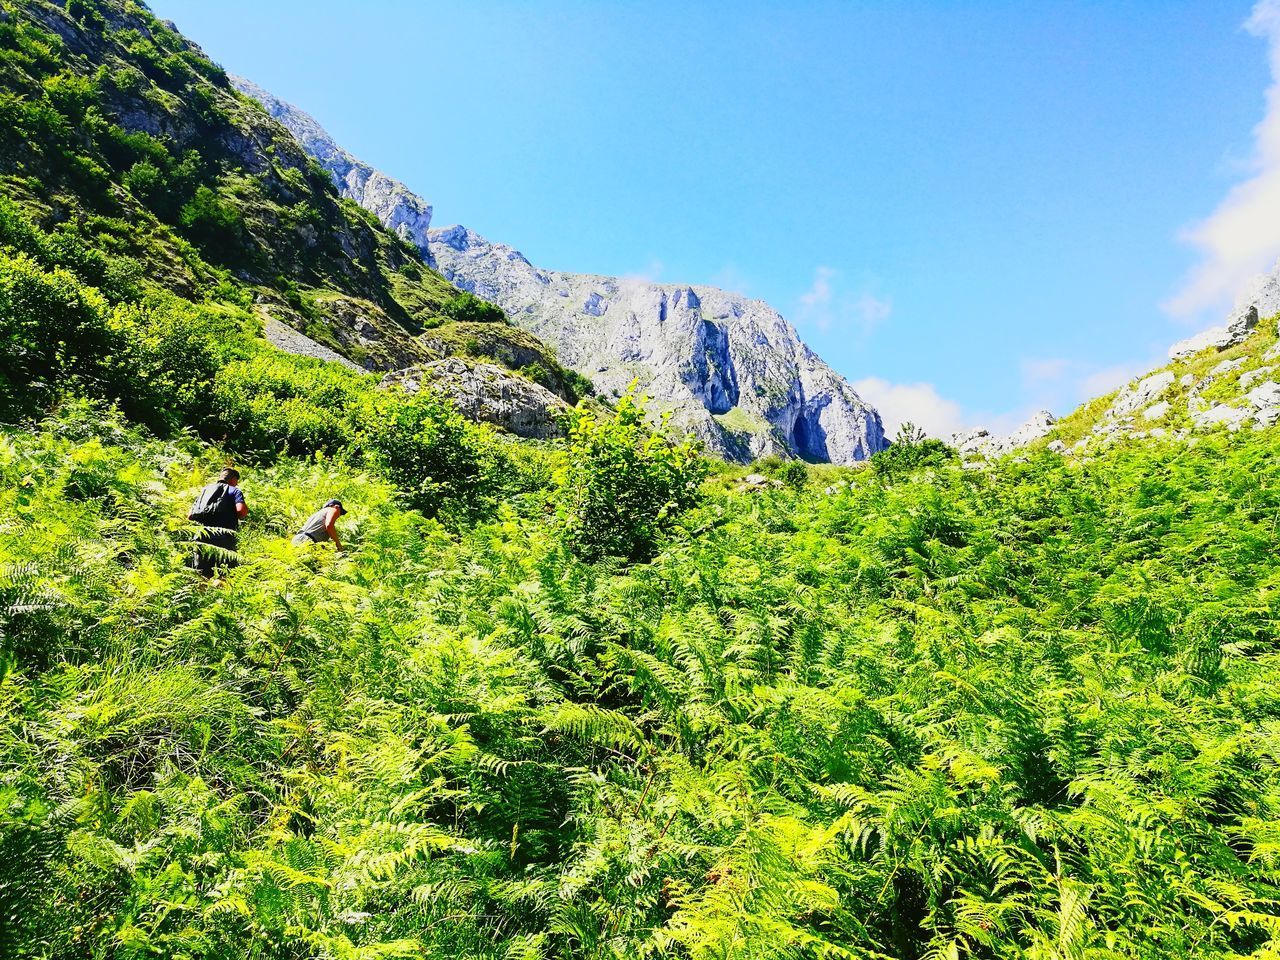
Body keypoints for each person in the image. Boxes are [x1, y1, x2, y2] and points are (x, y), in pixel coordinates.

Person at [188, 468, 248, 577]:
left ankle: (202, 592)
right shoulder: (234, 491)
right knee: (226, 573)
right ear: (233, 479)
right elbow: (241, 510)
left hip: (202, 537)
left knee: (201, 575)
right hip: (225, 538)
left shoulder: (205, 491)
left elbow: (190, 515)